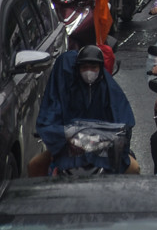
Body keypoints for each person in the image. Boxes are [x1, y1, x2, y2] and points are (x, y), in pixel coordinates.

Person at [29, 45, 137, 177]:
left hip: (103, 150)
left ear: (100, 68)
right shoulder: (66, 91)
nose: (89, 72)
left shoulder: (110, 90)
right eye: (84, 67)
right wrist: (65, 135)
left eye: (93, 67)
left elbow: (124, 121)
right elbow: (49, 119)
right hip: (68, 149)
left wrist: (108, 138)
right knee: (34, 165)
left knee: (134, 169)